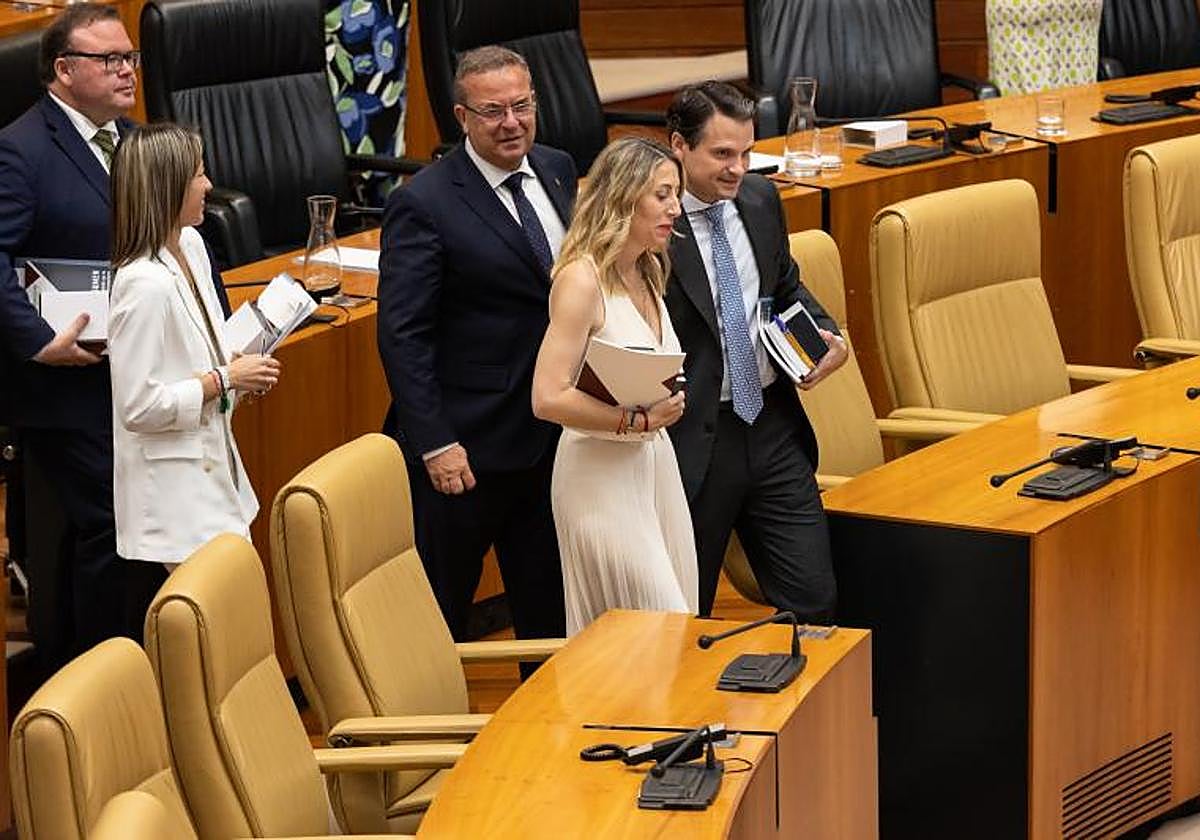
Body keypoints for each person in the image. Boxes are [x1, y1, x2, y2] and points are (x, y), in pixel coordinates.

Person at [0, 4, 228, 659]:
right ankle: (100, 680)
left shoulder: (133, 139)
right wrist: (36, 340)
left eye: (130, 57)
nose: (128, 70)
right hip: (65, 384)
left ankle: (120, 670)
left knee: (119, 530)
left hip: (139, 371)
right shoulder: (20, 152)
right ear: (64, 71)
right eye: (110, 59)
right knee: (109, 528)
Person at [378, 46, 575, 646]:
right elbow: (402, 333)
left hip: (551, 435)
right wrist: (436, 442)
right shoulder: (424, 202)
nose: (511, 122)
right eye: (493, 111)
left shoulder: (558, 167)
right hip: (465, 451)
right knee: (441, 613)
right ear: (462, 118)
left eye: (521, 106)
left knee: (549, 608)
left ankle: (546, 735)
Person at [664, 81, 849, 622]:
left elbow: (784, 285)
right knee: (684, 613)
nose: (738, 168)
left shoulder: (761, 200)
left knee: (814, 598)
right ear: (679, 145)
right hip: (694, 438)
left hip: (771, 424)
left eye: (746, 152)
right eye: (722, 154)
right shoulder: (650, 223)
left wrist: (825, 335)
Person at [531, 137, 695, 635]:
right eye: (662, 194)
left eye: (676, 194)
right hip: (597, 479)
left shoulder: (646, 267)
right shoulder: (581, 280)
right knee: (656, 625)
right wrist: (637, 420)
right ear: (623, 196)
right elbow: (547, 397)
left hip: (652, 467)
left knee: (678, 619)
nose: (675, 208)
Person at [107, 123, 278, 569]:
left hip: (215, 469)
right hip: (177, 495)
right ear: (167, 187)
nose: (208, 185)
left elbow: (201, 348)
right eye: (198, 175)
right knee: (210, 627)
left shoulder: (192, 244)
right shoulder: (142, 285)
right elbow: (139, 407)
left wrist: (238, 371)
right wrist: (225, 378)